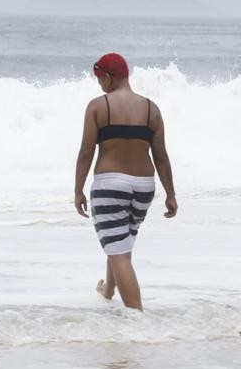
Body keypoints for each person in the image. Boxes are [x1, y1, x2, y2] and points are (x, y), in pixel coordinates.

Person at [74, 52, 178, 310]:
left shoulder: (98, 106)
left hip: (111, 185)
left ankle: (136, 316)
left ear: (108, 78)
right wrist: (170, 194)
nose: (99, 84)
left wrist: (78, 190)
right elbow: (161, 156)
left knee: (119, 252)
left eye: (99, 79)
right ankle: (109, 290)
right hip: (144, 187)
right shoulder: (152, 109)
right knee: (121, 241)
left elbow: (86, 152)